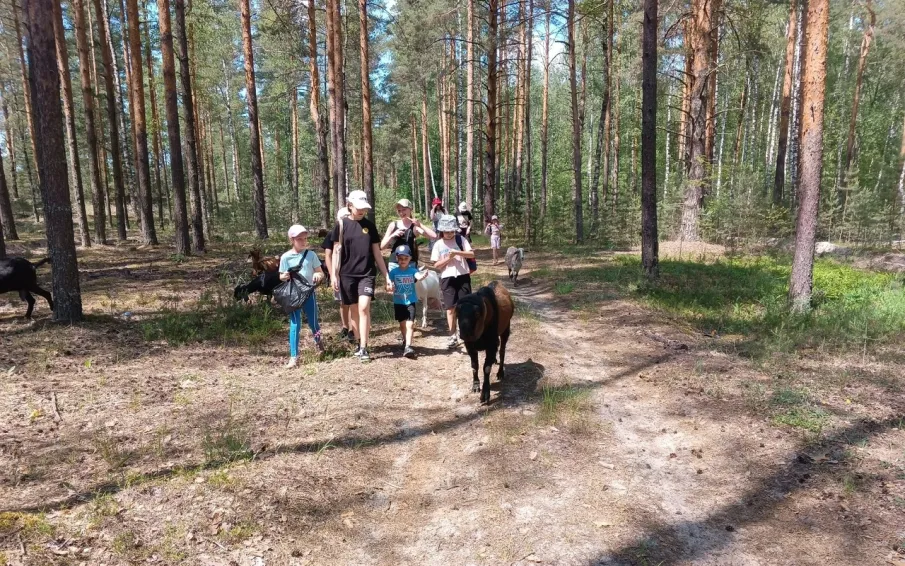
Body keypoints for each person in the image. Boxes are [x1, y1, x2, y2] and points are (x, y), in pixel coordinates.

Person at [331, 191, 393, 362]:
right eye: (359, 208)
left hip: (366, 273)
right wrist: (334, 275)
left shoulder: (370, 226)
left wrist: (386, 275)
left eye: (364, 208)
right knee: (353, 310)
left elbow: (377, 254)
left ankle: (365, 348)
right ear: (349, 205)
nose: (362, 211)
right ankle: (359, 343)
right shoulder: (341, 225)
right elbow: (336, 251)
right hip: (347, 275)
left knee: (364, 307)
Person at [279, 225, 326, 368]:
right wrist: (284, 276)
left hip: (309, 293)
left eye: (305, 239)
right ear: (292, 240)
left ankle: (320, 347)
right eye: (299, 239)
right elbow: (281, 276)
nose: (303, 242)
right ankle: (294, 357)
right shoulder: (286, 257)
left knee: (313, 321)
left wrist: (318, 275)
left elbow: (320, 271)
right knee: (295, 324)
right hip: (293, 295)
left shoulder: (311, 255)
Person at [431, 214, 475, 348]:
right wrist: (449, 258)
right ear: (441, 231)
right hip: (447, 278)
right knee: (450, 308)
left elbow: (472, 254)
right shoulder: (438, 245)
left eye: (451, 231)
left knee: (464, 307)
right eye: (446, 231)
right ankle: (452, 335)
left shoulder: (461, 240)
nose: (449, 234)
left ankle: (465, 332)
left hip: (463, 276)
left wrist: (457, 253)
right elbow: (436, 265)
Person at [322, 207, 354, 343]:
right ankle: (345, 327)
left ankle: (354, 329)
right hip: (338, 273)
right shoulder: (332, 234)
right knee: (343, 302)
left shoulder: (354, 232)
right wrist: (332, 274)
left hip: (353, 272)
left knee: (354, 302)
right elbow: (328, 256)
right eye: (343, 217)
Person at [381, 198, 437, 272]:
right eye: (399, 210)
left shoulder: (414, 227)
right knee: (394, 283)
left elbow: (434, 236)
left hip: (410, 263)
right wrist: (392, 235)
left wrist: (420, 225)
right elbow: (382, 246)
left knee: (410, 284)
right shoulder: (393, 225)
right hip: (395, 263)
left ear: (410, 209)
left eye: (404, 209)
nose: (401, 212)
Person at [388, 244, 419, 359]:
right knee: (402, 325)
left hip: (410, 301)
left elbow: (418, 275)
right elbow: (388, 284)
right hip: (398, 302)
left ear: (410, 259)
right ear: (397, 259)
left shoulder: (413, 270)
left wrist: (422, 276)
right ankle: (405, 340)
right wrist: (389, 287)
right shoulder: (393, 272)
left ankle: (408, 346)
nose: (403, 261)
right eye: (400, 259)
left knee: (410, 324)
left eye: (405, 258)